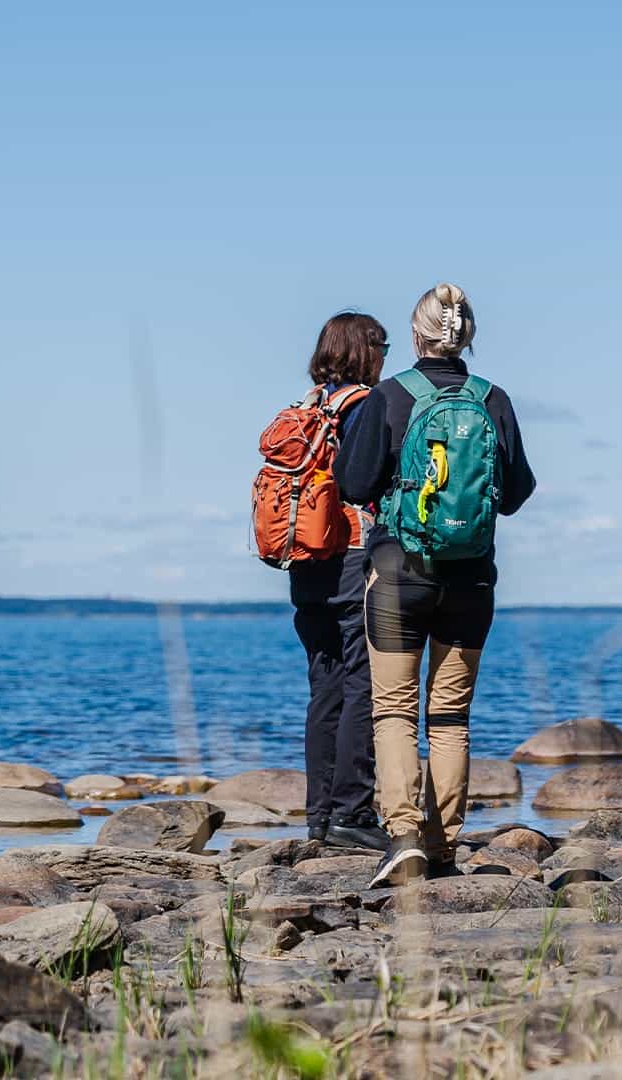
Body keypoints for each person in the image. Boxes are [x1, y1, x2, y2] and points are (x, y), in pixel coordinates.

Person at [336, 283, 536, 886]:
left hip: (400, 571)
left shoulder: (390, 396)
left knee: (393, 710)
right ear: (466, 335)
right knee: (451, 715)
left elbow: (352, 482)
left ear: (419, 332)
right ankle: (444, 843)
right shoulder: (492, 399)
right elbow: (518, 492)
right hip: (472, 575)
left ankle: (402, 837)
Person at [289, 313, 389, 851]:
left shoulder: (306, 406)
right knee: (361, 683)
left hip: (304, 557)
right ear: (365, 350)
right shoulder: (362, 405)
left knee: (323, 685)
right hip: (350, 551)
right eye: (383, 345)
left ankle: (319, 817)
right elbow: (367, 479)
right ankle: (354, 811)